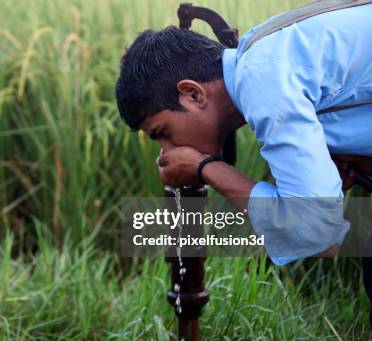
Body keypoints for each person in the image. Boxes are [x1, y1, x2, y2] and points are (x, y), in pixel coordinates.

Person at [114, 3, 371, 325]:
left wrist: (203, 166)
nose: (167, 153)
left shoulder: (261, 79)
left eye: (163, 133)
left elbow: (317, 234)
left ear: (192, 94)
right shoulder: (261, 53)